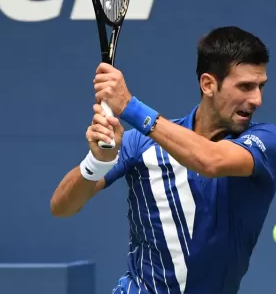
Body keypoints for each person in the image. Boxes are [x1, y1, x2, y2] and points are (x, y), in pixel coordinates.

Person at [50, 26, 276, 294]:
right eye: (245, 87)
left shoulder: (264, 141)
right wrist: (97, 162)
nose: (257, 99)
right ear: (208, 84)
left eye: (261, 86)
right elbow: (61, 207)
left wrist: (130, 107)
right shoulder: (140, 144)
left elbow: (210, 161)